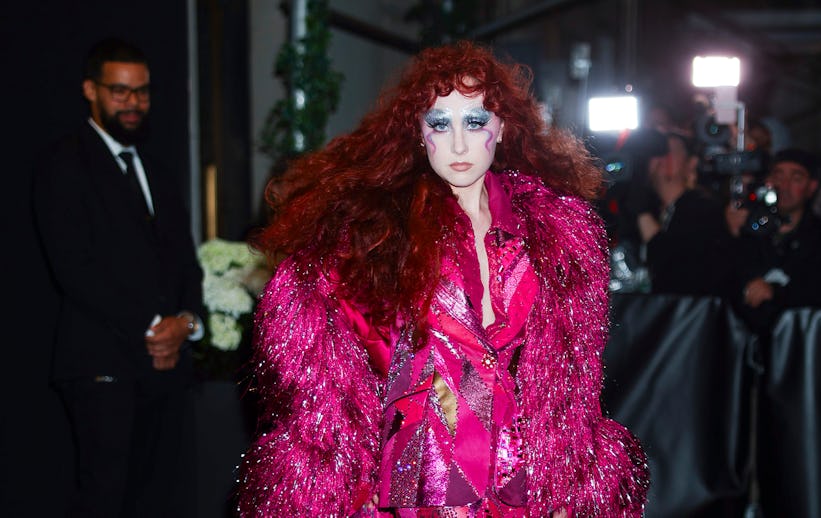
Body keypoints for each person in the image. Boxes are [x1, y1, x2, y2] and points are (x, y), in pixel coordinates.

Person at [237, 40, 649, 517]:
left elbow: (572, 380)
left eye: (474, 121)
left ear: (502, 128)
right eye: (440, 122)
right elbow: (329, 370)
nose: (458, 144)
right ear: (418, 132)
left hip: (525, 489)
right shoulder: (373, 237)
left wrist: (567, 481)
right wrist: (349, 476)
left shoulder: (555, 235)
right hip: (420, 488)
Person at [32, 37, 204, 517]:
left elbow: (185, 263)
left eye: (143, 92)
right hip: (100, 362)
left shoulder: (158, 169)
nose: (134, 104)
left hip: (166, 369)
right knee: (104, 497)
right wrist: (154, 328)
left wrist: (186, 322)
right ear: (91, 90)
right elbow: (73, 268)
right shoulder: (63, 162)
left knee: (161, 498)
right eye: (121, 92)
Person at [731, 147, 821, 334]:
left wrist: (775, 293)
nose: (784, 185)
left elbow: (818, 288)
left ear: (811, 187)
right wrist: (732, 233)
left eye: (796, 178)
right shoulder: (752, 228)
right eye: (778, 176)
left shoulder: (820, 237)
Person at [636, 131, 736, 296]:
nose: (663, 159)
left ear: (691, 163)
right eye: (658, 153)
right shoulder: (653, 209)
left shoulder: (703, 208)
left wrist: (642, 213)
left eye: (670, 152)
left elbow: (675, 267)